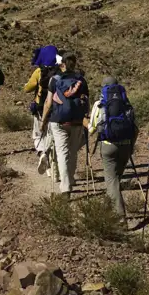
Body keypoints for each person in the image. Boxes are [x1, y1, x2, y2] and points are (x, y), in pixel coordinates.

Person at [38, 52, 89, 194]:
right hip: (77, 121)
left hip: (58, 120)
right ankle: (71, 179)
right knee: (73, 152)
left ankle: (65, 187)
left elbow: (48, 102)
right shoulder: (81, 80)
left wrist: (43, 121)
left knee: (62, 153)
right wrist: (86, 119)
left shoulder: (54, 80)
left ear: (62, 65)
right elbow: (86, 101)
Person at [88, 77, 137, 218]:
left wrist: (85, 122)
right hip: (126, 146)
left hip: (109, 146)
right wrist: (131, 147)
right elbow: (135, 128)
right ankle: (109, 208)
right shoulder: (126, 103)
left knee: (112, 181)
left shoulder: (100, 104)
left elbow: (92, 129)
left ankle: (120, 219)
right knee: (116, 179)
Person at [24, 45, 59, 175]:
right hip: (58, 108)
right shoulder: (60, 71)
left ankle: (42, 154)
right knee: (53, 136)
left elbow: (27, 88)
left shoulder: (39, 72)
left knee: (39, 134)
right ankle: (54, 163)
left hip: (40, 107)